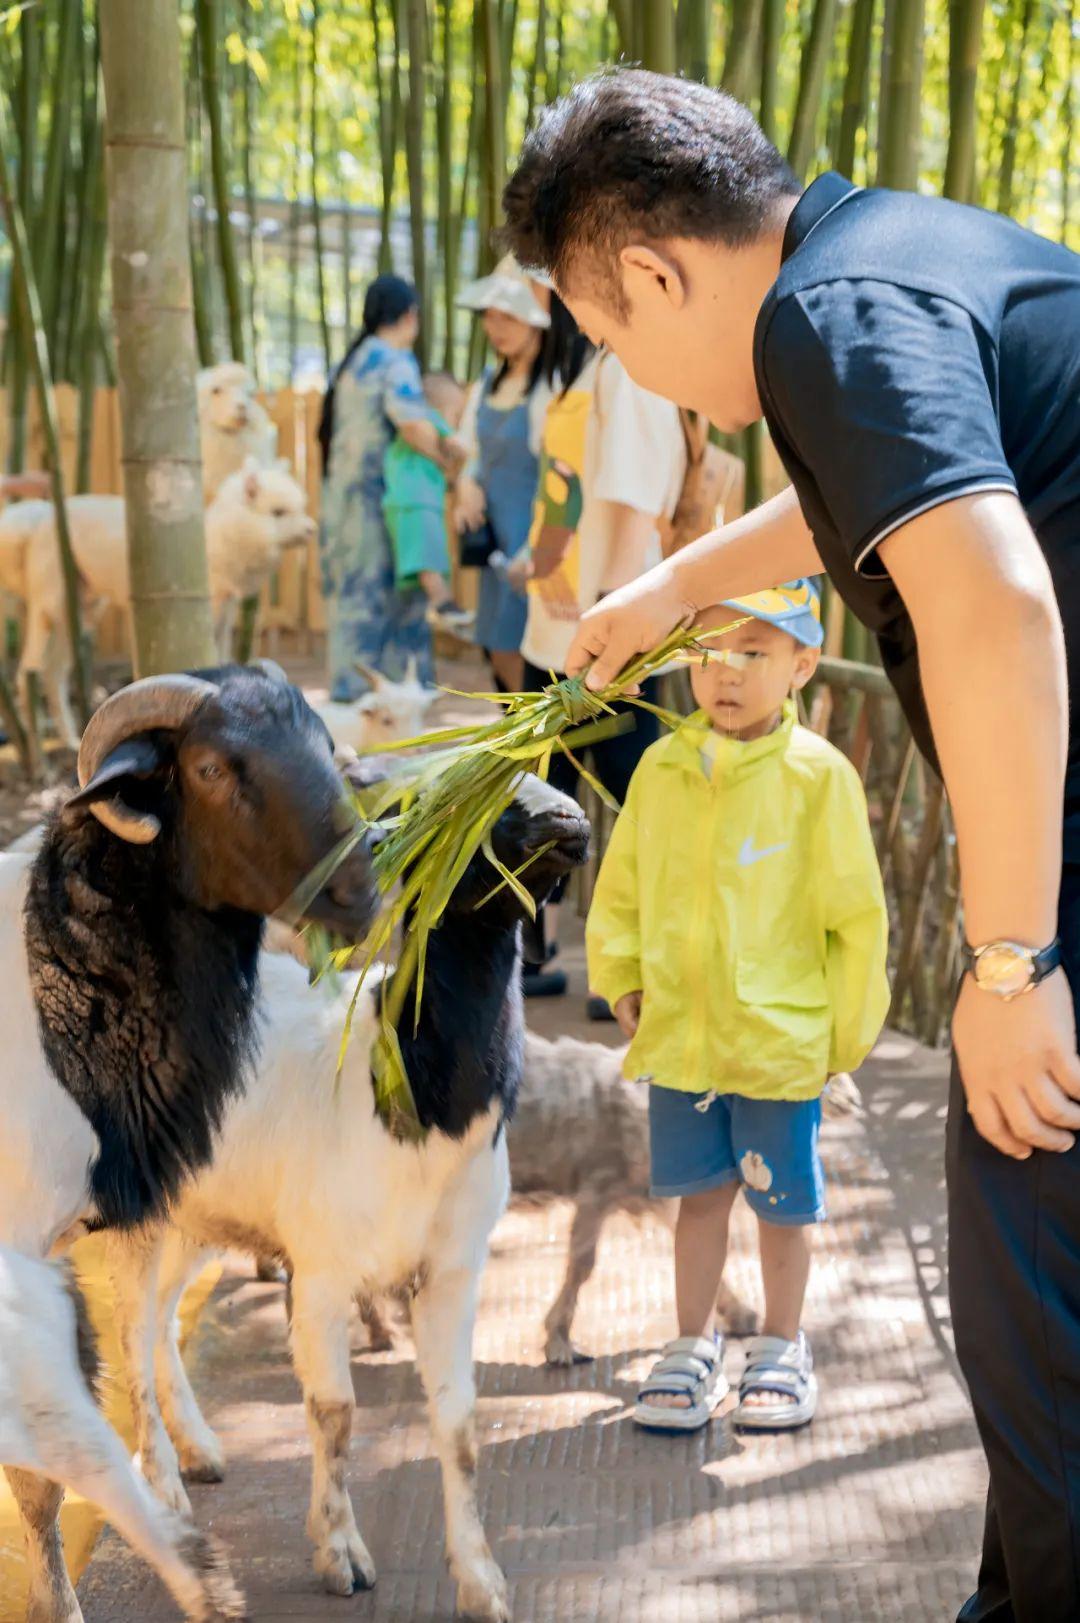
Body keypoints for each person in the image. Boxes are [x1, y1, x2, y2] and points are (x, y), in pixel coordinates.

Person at [502, 67, 1080, 1618]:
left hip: (1057, 862)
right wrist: (666, 591)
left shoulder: (828, 323)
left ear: (654, 271)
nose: (643, 372)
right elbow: (875, 494)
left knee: (1035, 1293)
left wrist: (1012, 954)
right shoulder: (881, 255)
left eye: (615, 338)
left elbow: (997, 599)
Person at [587, 581, 888, 1433]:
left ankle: (783, 1343)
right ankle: (691, 1342)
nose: (727, 672)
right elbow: (624, 886)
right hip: (683, 1035)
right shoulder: (663, 767)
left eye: (754, 652)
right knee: (700, 1196)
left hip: (777, 1041)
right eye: (710, 650)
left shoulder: (817, 778)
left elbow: (856, 918)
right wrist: (621, 974)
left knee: (782, 1201)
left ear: (802, 663)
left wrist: (841, 1038)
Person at [517, 289, 687, 1000]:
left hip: (601, 631)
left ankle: (631, 964)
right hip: (555, 623)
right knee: (537, 795)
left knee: (634, 795)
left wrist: (611, 621)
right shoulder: (581, 371)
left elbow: (638, 500)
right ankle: (536, 952)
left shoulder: (625, 371)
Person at [318, 275, 442, 699]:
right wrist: (453, 464)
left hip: (342, 509)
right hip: (382, 512)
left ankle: (350, 723)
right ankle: (398, 730)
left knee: (351, 610)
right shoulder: (395, 360)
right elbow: (413, 427)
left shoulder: (351, 364)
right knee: (390, 612)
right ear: (410, 316)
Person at [454, 255, 552, 695]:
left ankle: (545, 758)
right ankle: (526, 754)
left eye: (508, 315)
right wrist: (467, 483)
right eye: (490, 317)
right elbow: (472, 451)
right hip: (495, 541)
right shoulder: (488, 380)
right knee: (498, 649)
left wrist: (536, 545)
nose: (496, 327)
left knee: (536, 654)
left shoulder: (553, 385)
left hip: (537, 540)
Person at [382, 370, 474, 635]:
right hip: (414, 500)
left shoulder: (424, 424)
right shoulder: (429, 418)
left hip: (415, 500)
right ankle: (443, 603)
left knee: (427, 554)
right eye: (456, 415)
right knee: (426, 555)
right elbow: (458, 445)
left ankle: (440, 603)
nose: (456, 422)